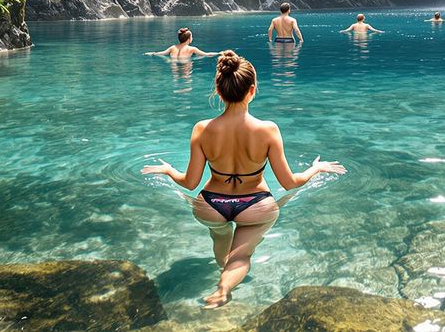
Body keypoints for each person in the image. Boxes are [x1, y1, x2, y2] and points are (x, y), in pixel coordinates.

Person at [142, 51, 345, 308]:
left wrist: (169, 171)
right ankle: (223, 289)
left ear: (218, 89)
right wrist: (316, 169)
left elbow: (190, 182)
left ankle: (222, 269)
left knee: (220, 237)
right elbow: (290, 182)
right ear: (252, 90)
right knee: (241, 257)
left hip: (210, 205)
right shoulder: (268, 129)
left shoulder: (202, 129)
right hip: (255, 205)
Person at [145, 28, 216, 61]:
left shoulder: (172, 47)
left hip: (173, 62)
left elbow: (161, 53)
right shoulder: (192, 49)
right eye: (191, 36)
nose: (192, 38)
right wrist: (219, 53)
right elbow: (206, 54)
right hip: (185, 63)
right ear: (189, 39)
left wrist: (152, 53)